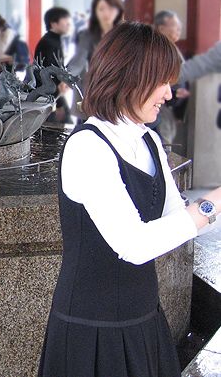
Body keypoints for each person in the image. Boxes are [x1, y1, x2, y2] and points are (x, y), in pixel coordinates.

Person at [38, 21, 219, 377]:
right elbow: (133, 245)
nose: (169, 94)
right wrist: (211, 205)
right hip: (92, 327)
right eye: (162, 82)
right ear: (128, 78)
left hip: (143, 316)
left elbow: (173, 219)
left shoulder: (147, 140)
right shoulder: (88, 146)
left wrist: (202, 212)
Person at [151, 10, 190, 145]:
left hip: (170, 108)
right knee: (162, 145)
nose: (179, 28)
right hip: (158, 108)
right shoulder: (156, 50)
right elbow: (155, 80)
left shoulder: (170, 48)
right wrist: (174, 93)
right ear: (161, 28)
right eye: (174, 25)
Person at [67, 0, 124, 78]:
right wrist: (66, 77)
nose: (106, 13)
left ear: (119, 9)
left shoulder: (126, 34)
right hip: (98, 84)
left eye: (111, 8)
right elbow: (79, 60)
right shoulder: (87, 35)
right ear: (95, 11)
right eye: (101, 9)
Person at [35, 7, 72, 123]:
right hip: (48, 97)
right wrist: (59, 104)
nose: (68, 23)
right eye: (65, 19)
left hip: (52, 95)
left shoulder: (53, 40)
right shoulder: (49, 43)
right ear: (53, 23)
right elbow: (50, 73)